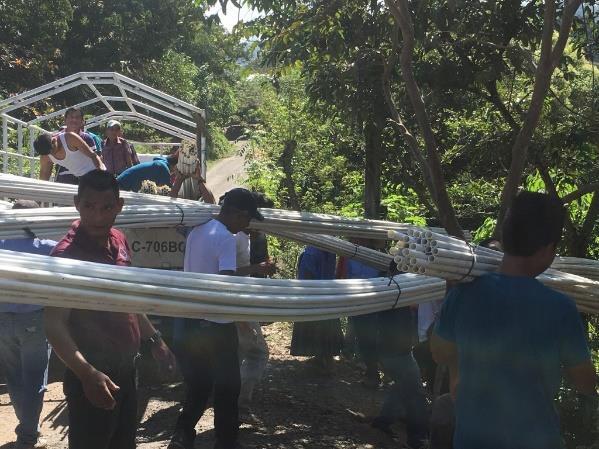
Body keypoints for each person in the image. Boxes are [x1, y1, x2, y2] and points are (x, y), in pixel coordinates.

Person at [431, 191, 597, 449]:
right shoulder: (560, 308)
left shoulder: (463, 293)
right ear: (548, 249)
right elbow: (584, 382)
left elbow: (440, 354)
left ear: (505, 237)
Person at [44, 170, 176, 449]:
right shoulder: (66, 256)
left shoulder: (118, 240)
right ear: (77, 203)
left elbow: (126, 300)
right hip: (92, 374)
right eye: (89, 206)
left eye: (106, 207)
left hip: (127, 369)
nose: (98, 216)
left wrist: (154, 340)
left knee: (123, 442)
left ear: (119, 206)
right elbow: (54, 323)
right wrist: (86, 374)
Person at [169, 188, 265, 449]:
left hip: (189, 321)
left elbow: (207, 273)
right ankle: (226, 441)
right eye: (247, 219)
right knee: (228, 387)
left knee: (199, 386)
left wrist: (253, 269)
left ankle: (182, 436)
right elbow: (225, 281)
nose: (247, 225)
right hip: (216, 325)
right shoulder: (225, 238)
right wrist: (256, 275)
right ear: (236, 214)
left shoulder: (198, 230)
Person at [0, 200, 56, 449]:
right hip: (34, 319)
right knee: (35, 379)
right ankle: (28, 435)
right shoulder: (45, 248)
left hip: (3, 319)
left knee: (14, 377)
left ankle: (28, 427)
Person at [290, 246, 344, 372]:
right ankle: (320, 358)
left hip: (315, 296)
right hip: (326, 294)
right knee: (324, 327)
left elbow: (305, 279)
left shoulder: (311, 253)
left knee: (321, 327)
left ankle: (329, 364)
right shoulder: (328, 250)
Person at [55, 107, 102, 184]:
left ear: (82, 121)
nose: (74, 120)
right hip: (63, 179)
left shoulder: (88, 138)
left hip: (85, 179)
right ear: (65, 120)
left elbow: (94, 159)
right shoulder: (56, 138)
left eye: (77, 117)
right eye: (71, 117)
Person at [35, 132, 105, 181]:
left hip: (97, 170)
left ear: (54, 140)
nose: (52, 154)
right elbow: (44, 178)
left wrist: (102, 174)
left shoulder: (70, 138)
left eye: (52, 150)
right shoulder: (46, 156)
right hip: (82, 178)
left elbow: (93, 155)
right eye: (49, 153)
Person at [116, 153, 186, 198]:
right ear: (176, 166)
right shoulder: (163, 168)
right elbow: (170, 197)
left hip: (119, 185)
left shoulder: (159, 163)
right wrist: (180, 178)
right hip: (121, 190)